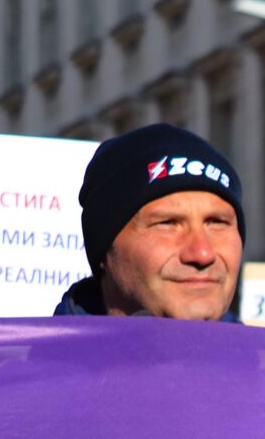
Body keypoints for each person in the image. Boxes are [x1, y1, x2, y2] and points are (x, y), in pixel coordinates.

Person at [55, 123, 245, 320]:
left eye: (217, 222)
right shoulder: (38, 351)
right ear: (104, 249)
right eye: (167, 223)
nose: (202, 253)